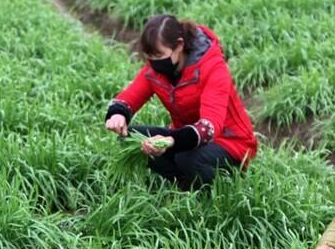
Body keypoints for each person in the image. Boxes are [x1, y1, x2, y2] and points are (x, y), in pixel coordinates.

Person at [104, 14, 258, 190]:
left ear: (179, 46)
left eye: (159, 56)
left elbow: (209, 128)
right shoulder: (156, 69)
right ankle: (184, 184)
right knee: (130, 138)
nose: (154, 64)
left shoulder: (213, 68)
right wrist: (118, 113)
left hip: (230, 142)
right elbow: (129, 97)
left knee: (186, 157)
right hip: (184, 138)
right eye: (149, 58)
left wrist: (170, 141)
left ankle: (217, 189)